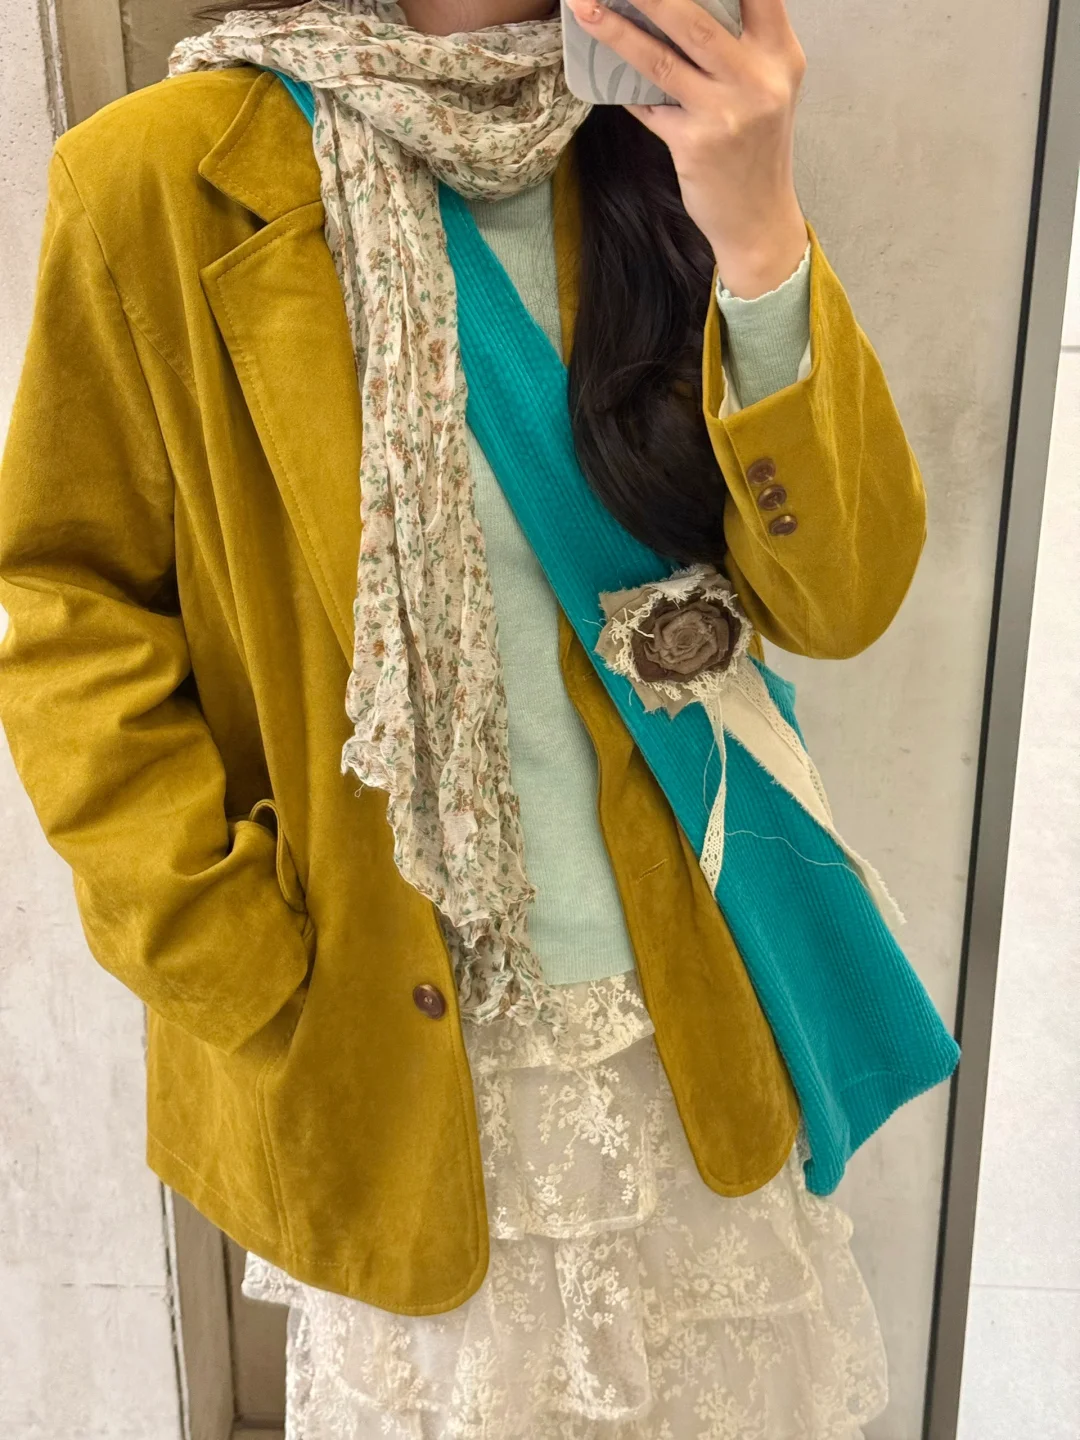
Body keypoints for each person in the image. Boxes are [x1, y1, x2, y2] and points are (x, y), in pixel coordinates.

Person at [0, 0, 946, 1434]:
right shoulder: (163, 174)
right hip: (389, 1025)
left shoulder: (659, 139)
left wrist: (759, 227)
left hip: (687, 1012)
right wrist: (220, 939)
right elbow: (69, 599)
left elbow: (843, 595)